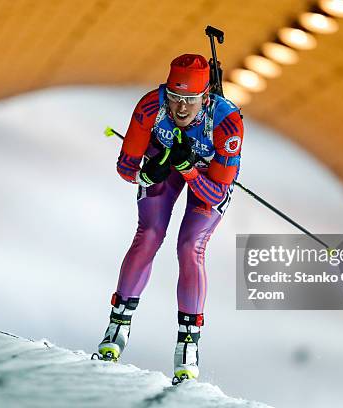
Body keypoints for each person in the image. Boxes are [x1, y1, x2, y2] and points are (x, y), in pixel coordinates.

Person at [96, 54, 244, 385]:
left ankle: (188, 346)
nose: (179, 108)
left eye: (189, 100)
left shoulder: (227, 123)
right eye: (175, 98)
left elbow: (216, 195)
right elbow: (124, 168)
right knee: (148, 234)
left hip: (206, 176)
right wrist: (149, 173)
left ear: (205, 97)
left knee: (191, 246)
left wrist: (190, 169)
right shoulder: (152, 105)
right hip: (165, 160)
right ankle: (116, 328)